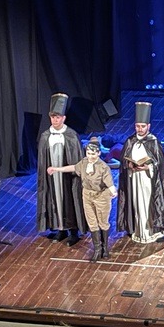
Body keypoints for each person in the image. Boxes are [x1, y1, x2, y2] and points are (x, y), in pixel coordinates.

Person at [117, 102, 164, 244]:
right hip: (134, 179)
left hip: (149, 180)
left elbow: (160, 165)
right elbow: (123, 161)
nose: (140, 129)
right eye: (137, 126)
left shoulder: (153, 142)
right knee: (137, 204)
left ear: (148, 126)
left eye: (143, 126)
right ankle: (138, 230)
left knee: (149, 204)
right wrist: (129, 165)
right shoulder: (130, 141)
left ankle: (153, 231)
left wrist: (148, 167)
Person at [48, 137, 118, 261]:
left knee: (103, 222)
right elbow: (74, 167)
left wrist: (113, 191)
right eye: (88, 153)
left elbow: (109, 182)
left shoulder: (103, 167)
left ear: (98, 153)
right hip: (87, 195)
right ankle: (97, 249)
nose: (90, 156)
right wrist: (57, 169)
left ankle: (104, 248)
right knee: (92, 222)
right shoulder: (84, 162)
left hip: (101, 196)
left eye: (93, 154)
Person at [37, 93, 87, 245]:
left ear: (63, 118)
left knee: (69, 200)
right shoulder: (46, 136)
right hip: (52, 177)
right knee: (54, 200)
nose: (55, 120)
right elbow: (42, 160)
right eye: (53, 117)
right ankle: (60, 229)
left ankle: (73, 231)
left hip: (67, 177)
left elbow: (77, 160)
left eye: (58, 117)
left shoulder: (71, 135)